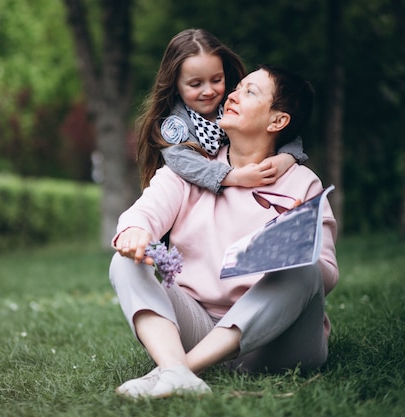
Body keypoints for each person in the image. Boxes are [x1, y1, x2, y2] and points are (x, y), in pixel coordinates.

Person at [109, 64, 338, 399]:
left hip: (280, 343)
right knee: (124, 262)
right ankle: (177, 370)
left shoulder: (302, 182)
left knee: (303, 270)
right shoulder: (191, 167)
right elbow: (145, 211)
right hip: (199, 326)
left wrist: (291, 246)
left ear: (278, 121)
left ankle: (176, 369)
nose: (232, 94)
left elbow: (326, 275)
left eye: (250, 91)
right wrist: (135, 231)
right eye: (238, 87)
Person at [136, 29, 308, 194]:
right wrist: (232, 177)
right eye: (196, 84)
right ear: (175, 86)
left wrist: (286, 158)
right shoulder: (175, 126)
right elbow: (181, 161)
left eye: (217, 80)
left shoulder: (233, 101)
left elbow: (287, 132)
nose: (209, 91)